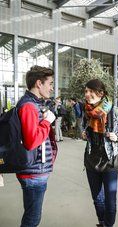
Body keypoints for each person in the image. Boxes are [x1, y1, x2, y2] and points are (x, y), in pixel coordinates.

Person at [82, 79, 118, 227]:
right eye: (86, 91)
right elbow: (84, 128)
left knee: (110, 201)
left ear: (101, 93)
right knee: (97, 199)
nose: (87, 94)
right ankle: (102, 222)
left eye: (91, 91)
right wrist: (84, 133)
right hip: (91, 161)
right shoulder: (86, 110)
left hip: (110, 162)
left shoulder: (115, 111)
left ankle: (108, 225)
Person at [17, 65, 57, 227]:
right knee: (32, 218)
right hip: (33, 173)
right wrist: (47, 121)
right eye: (50, 83)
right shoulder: (28, 106)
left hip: (36, 171)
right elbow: (32, 141)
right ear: (39, 84)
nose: (52, 88)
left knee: (32, 215)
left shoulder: (34, 104)